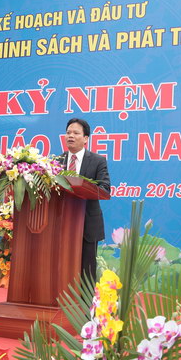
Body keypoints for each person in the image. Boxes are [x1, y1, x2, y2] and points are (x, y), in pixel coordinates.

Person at [61, 118, 110, 281]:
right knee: (61, 268)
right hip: (61, 224)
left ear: (86, 138)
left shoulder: (98, 161)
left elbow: (105, 189)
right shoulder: (56, 161)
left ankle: (85, 298)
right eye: (68, 132)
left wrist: (82, 186)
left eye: (76, 133)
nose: (71, 136)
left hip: (87, 223)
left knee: (86, 272)